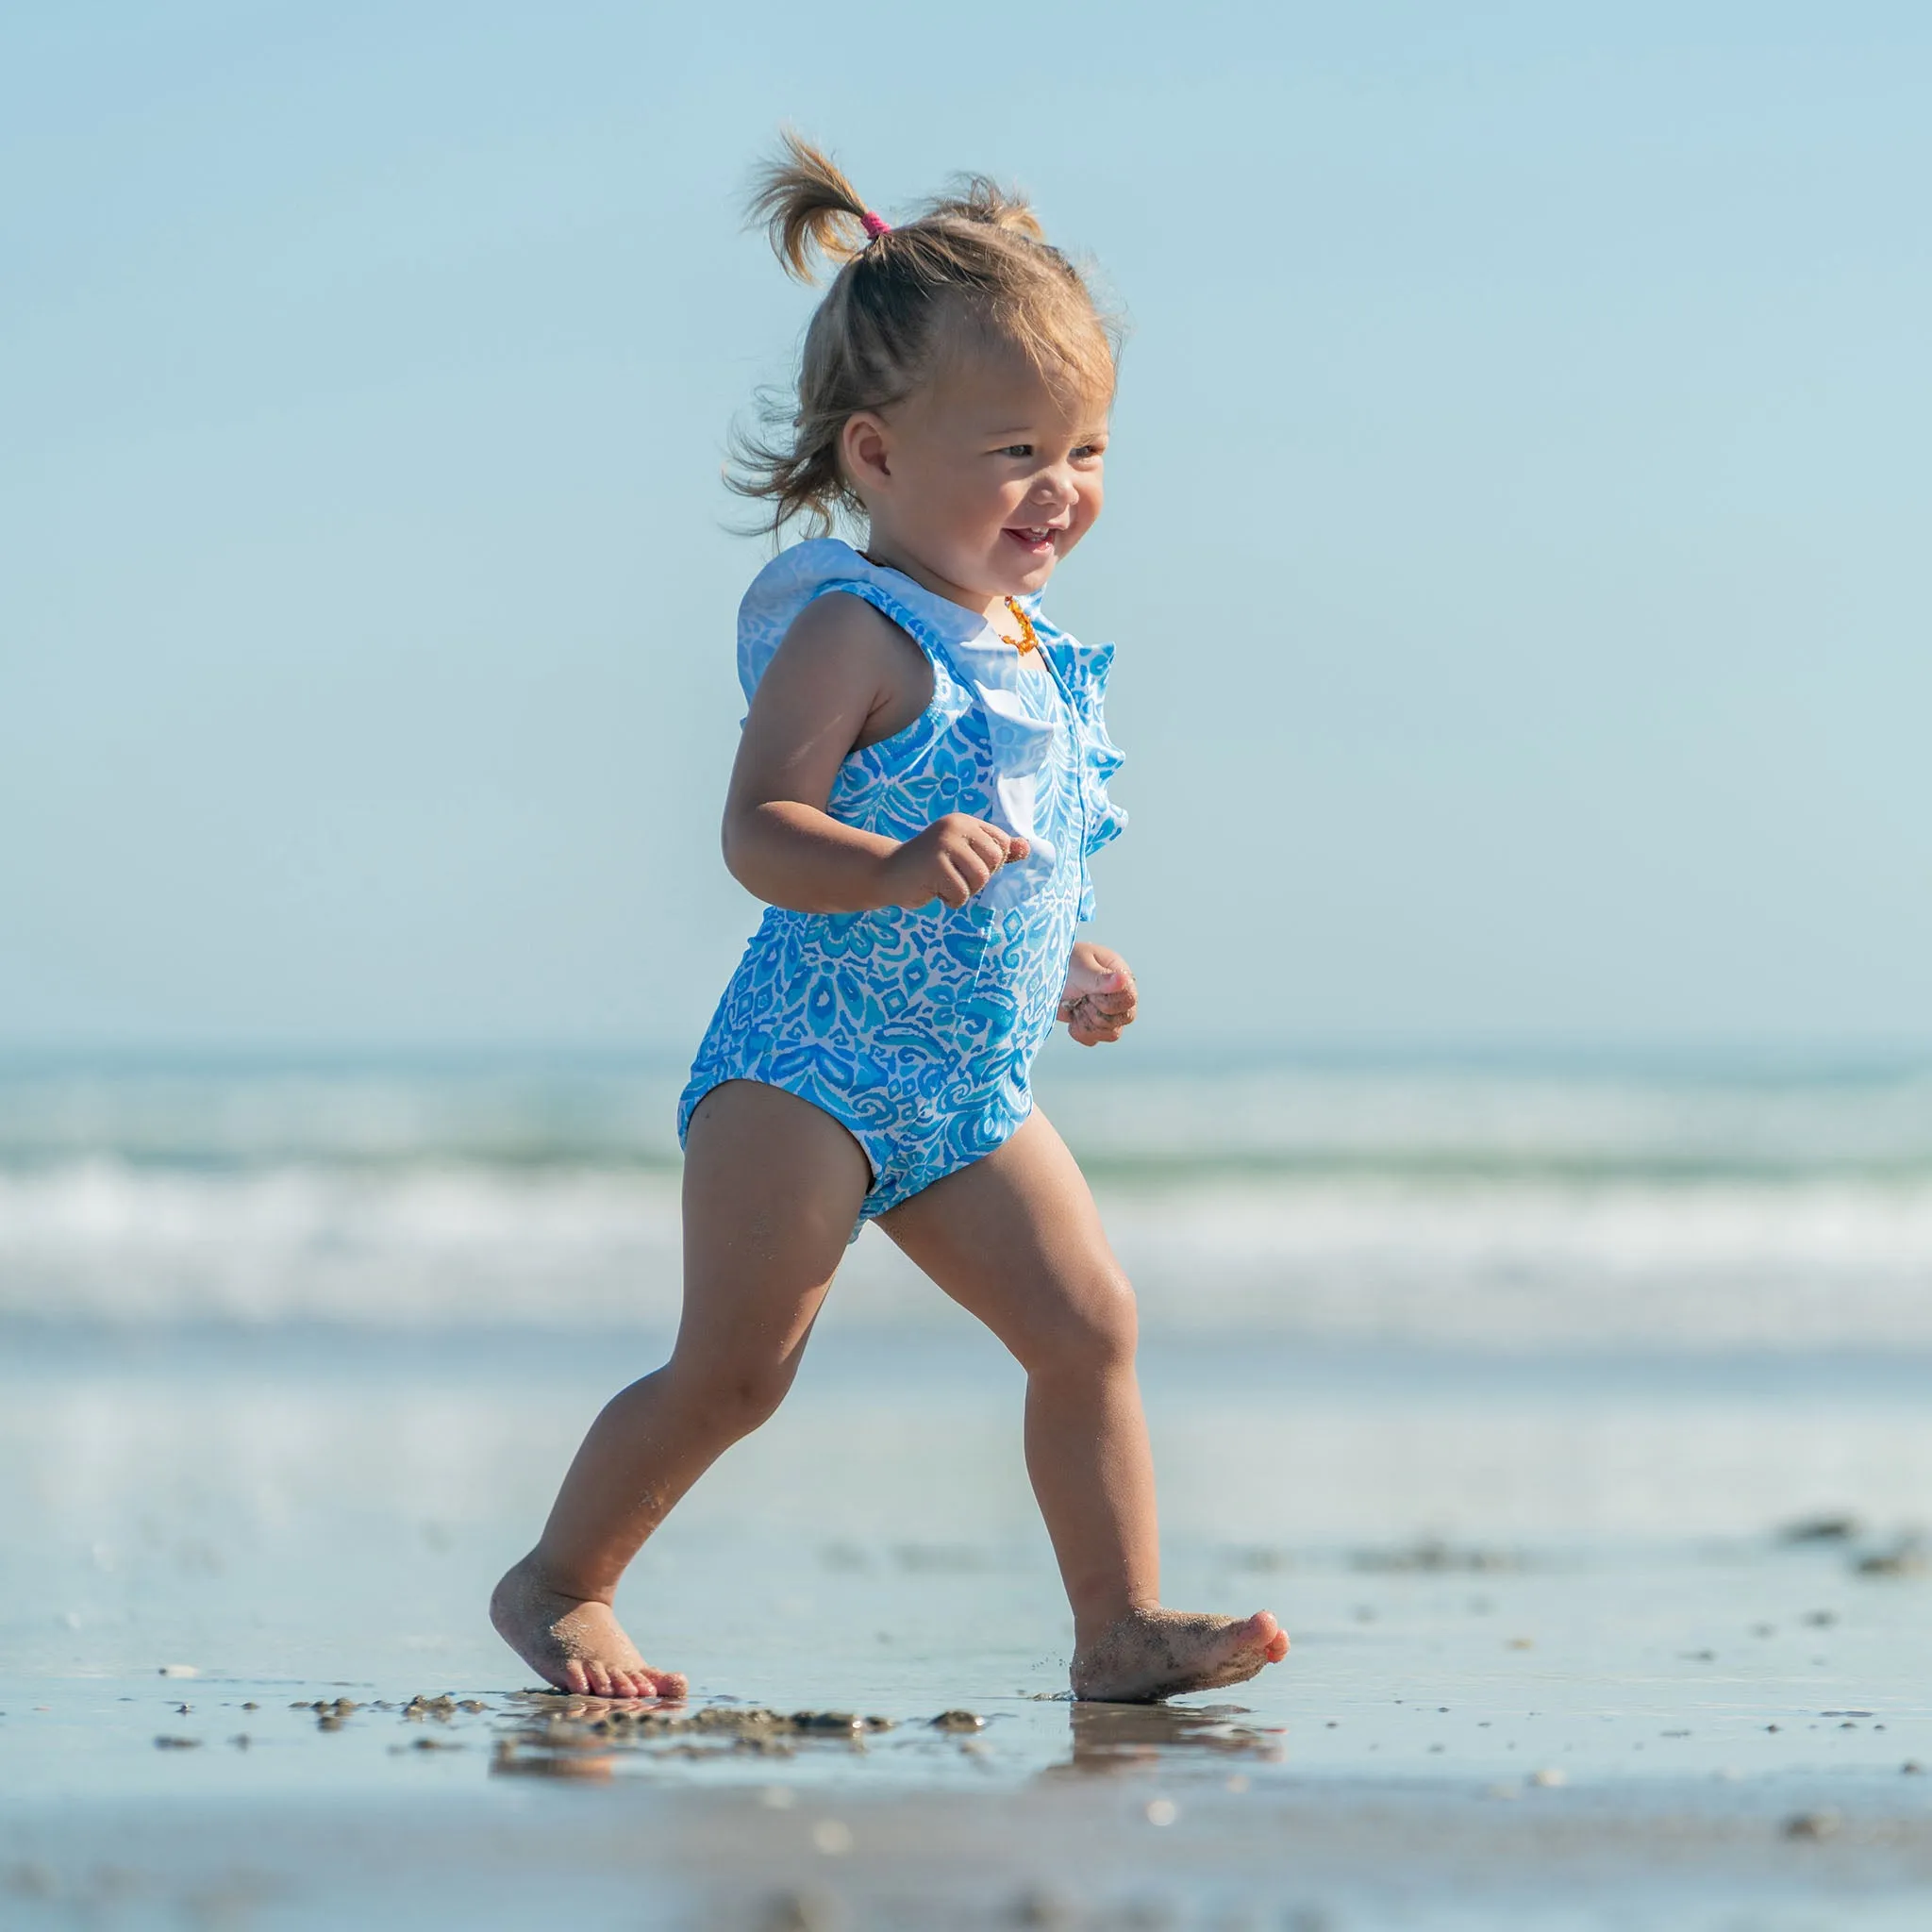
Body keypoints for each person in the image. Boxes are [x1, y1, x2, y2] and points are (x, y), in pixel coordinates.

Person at [491, 134, 1290, 1704]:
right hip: (804, 1073)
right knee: (737, 1373)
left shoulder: (1034, 648)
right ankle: (559, 1582)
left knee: (1091, 1329)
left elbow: (1020, 853)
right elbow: (758, 831)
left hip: (967, 1089)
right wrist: (889, 864)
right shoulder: (853, 634)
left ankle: (1114, 1630)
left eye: (1091, 450)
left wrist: (1067, 959)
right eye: (1015, 453)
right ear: (873, 456)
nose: (1060, 490)